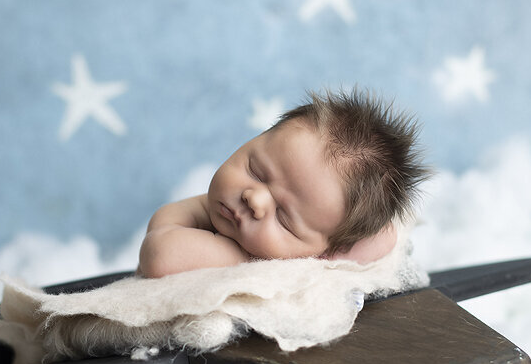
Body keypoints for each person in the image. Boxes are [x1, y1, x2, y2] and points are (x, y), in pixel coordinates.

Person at [138, 88, 431, 278]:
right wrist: (255, 261)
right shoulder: (180, 219)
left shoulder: (317, 253)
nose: (255, 199)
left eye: (284, 218)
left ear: (321, 252)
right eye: (256, 171)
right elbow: (160, 258)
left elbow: (385, 237)